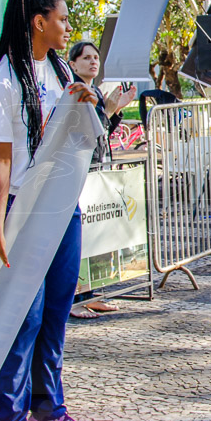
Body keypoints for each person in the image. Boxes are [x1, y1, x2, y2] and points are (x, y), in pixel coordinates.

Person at [0, 0, 99, 421]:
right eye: (62, 20)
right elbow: (2, 160)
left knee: (55, 311)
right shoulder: (6, 81)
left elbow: (71, 134)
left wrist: (91, 105)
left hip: (61, 209)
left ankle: (50, 408)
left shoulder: (61, 72)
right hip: (21, 213)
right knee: (21, 319)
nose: (69, 28)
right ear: (38, 21)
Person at [66, 41, 137, 319]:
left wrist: (117, 110)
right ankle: (77, 298)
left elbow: (104, 131)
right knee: (81, 237)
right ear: (73, 64)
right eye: (86, 58)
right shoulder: (74, 91)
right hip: (81, 169)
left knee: (95, 236)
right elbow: (85, 130)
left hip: (99, 165)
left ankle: (91, 293)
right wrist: (107, 111)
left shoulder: (94, 90)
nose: (93, 62)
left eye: (96, 57)